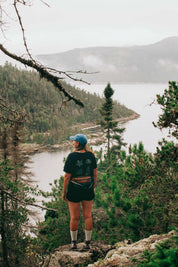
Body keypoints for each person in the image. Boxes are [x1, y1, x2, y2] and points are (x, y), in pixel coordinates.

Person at [62, 134, 97, 250]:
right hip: (88, 188)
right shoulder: (91, 156)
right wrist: (93, 186)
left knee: (74, 217)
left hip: (74, 189)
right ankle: (87, 243)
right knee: (88, 216)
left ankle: (74, 243)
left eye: (74, 141)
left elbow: (67, 176)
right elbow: (95, 173)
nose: (73, 143)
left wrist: (64, 191)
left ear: (77, 143)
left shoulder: (71, 156)